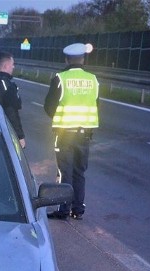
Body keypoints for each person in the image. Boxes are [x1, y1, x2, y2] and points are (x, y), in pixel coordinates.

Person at [44, 42, 99, 220]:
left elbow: (49, 107)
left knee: (64, 171)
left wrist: (61, 116)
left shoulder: (60, 78)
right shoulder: (93, 79)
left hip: (65, 133)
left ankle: (63, 209)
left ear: (66, 59)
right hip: (85, 134)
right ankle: (78, 209)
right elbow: (96, 104)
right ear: (83, 59)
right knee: (79, 172)